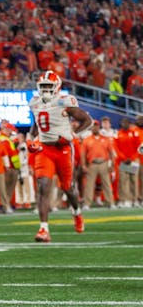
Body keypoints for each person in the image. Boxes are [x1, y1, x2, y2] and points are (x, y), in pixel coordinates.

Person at [29, 71, 92, 242]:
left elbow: (87, 121)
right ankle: (43, 229)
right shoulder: (34, 102)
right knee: (43, 186)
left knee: (67, 187)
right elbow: (36, 124)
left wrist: (73, 135)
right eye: (44, 86)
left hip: (63, 149)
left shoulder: (65, 101)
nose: (46, 90)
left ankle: (77, 212)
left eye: (49, 86)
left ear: (56, 87)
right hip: (44, 150)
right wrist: (31, 139)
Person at [81, 121, 116, 209]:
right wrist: (84, 165)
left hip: (104, 163)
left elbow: (111, 153)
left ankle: (111, 203)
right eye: (93, 126)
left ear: (99, 127)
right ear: (91, 128)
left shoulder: (106, 139)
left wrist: (112, 164)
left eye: (96, 126)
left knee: (107, 184)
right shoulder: (87, 139)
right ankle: (87, 204)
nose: (95, 128)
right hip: (92, 164)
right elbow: (83, 154)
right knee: (89, 185)